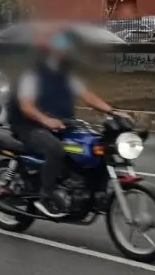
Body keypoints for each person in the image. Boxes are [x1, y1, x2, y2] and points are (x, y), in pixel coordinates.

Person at [8, 28, 127, 218]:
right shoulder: (33, 75)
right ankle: (44, 195)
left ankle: (83, 189)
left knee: (95, 147)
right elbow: (26, 106)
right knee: (56, 149)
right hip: (29, 125)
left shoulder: (65, 75)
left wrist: (113, 112)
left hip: (62, 124)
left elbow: (87, 96)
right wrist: (46, 120)